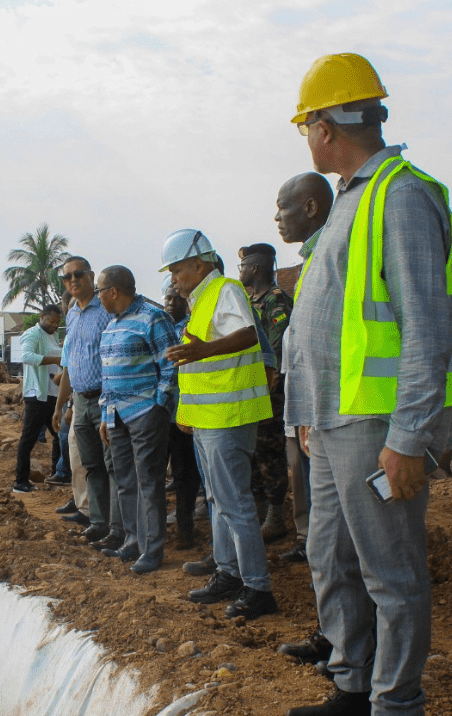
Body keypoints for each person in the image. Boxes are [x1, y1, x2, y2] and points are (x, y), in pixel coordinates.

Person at [281, 53, 452, 716]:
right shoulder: (351, 199)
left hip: (375, 425)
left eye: (307, 125)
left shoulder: (402, 195)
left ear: (326, 127)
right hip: (332, 422)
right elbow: (330, 320)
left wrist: (409, 438)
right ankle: (352, 684)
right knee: (330, 556)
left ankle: (395, 703)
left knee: (391, 574)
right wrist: (306, 411)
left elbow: (427, 327)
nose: (307, 136)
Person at [162, 228, 278, 620]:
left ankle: (258, 588)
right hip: (208, 418)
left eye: (177, 270)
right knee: (218, 500)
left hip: (228, 417)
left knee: (236, 503)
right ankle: (228, 573)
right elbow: (198, 366)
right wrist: (187, 412)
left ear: (198, 264)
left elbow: (248, 334)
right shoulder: (202, 300)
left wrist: (204, 350)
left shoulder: (226, 289)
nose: (174, 279)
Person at [94, 266, 179, 574]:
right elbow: (108, 374)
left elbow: (170, 365)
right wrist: (106, 414)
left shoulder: (153, 318)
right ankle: (132, 541)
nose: (98, 297)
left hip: (145, 413)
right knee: (126, 481)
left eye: (99, 291)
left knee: (149, 482)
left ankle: (152, 549)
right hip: (116, 416)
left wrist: (158, 405)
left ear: (113, 291)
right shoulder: (112, 323)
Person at [273, 171, 333, 562]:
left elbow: (323, 344)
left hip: (330, 413)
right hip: (310, 412)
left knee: (334, 514)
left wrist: (311, 412)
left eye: (283, 208)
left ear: (310, 208)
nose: (277, 218)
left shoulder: (330, 255)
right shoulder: (312, 260)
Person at [51, 256, 121, 547]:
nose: (72, 280)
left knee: (113, 466)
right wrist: (61, 405)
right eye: (66, 277)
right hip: (80, 401)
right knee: (91, 466)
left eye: (78, 274)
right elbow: (70, 365)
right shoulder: (72, 316)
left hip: (106, 399)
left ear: (91, 276)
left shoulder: (106, 310)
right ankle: (98, 523)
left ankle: (118, 529)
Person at [237, 242, 294, 542]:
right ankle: (258, 510)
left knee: (270, 451)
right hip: (249, 388)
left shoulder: (276, 300)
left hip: (270, 389)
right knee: (252, 450)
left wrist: (268, 382)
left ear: (256, 267)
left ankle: (276, 514)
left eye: (244, 266)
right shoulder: (248, 300)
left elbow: (278, 345)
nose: (241, 271)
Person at [162, 277, 203, 549]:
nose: (172, 302)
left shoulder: (191, 326)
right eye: (168, 298)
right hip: (160, 412)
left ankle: (185, 529)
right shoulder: (158, 327)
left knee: (185, 474)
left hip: (184, 413)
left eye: (177, 298)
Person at [13, 305, 63, 493]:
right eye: (51, 321)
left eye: (57, 323)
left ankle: (57, 474)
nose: (54, 325)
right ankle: (20, 481)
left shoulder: (53, 336)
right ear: (42, 316)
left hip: (53, 394)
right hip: (37, 394)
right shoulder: (32, 334)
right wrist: (55, 360)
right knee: (29, 438)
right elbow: (26, 356)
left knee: (59, 435)